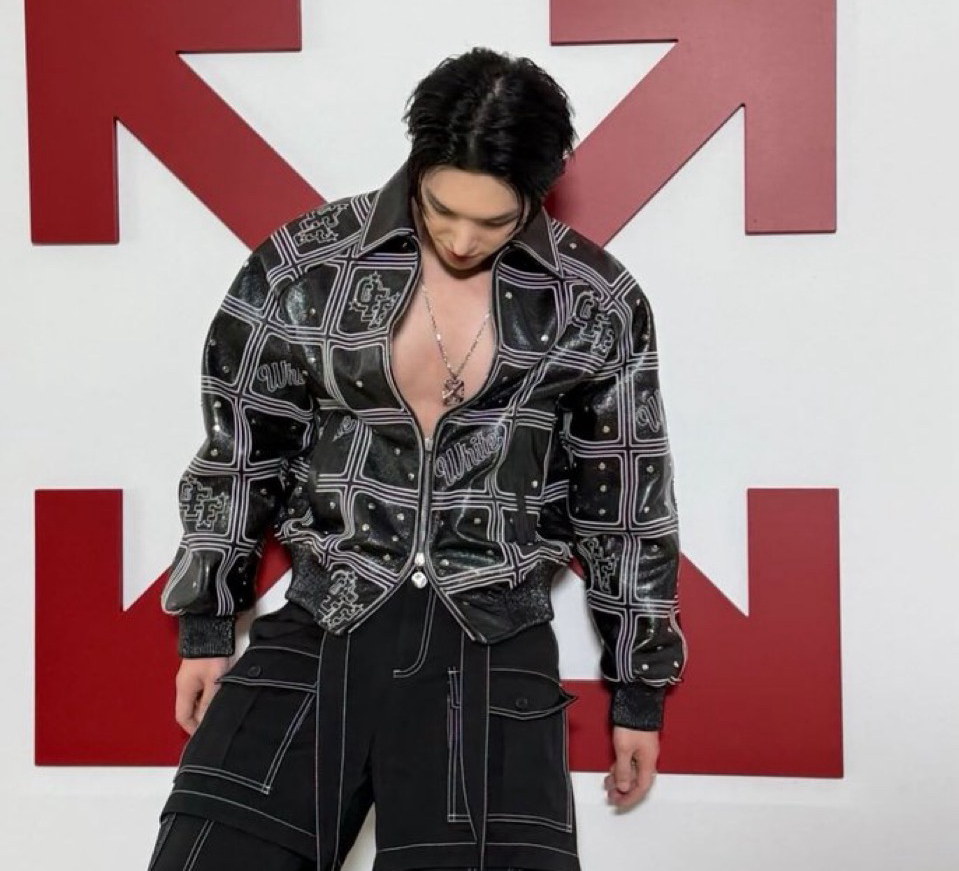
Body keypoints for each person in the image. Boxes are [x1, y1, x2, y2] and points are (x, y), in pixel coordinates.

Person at [147, 47, 687, 871]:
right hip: (328, 616)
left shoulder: (592, 300)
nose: (463, 239)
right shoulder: (309, 264)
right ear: (417, 165)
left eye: (495, 221)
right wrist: (208, 622)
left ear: (537, 194)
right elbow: (242, 448)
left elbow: (624, 501)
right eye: (442, 208)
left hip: (493, 640)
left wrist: (637, 691)